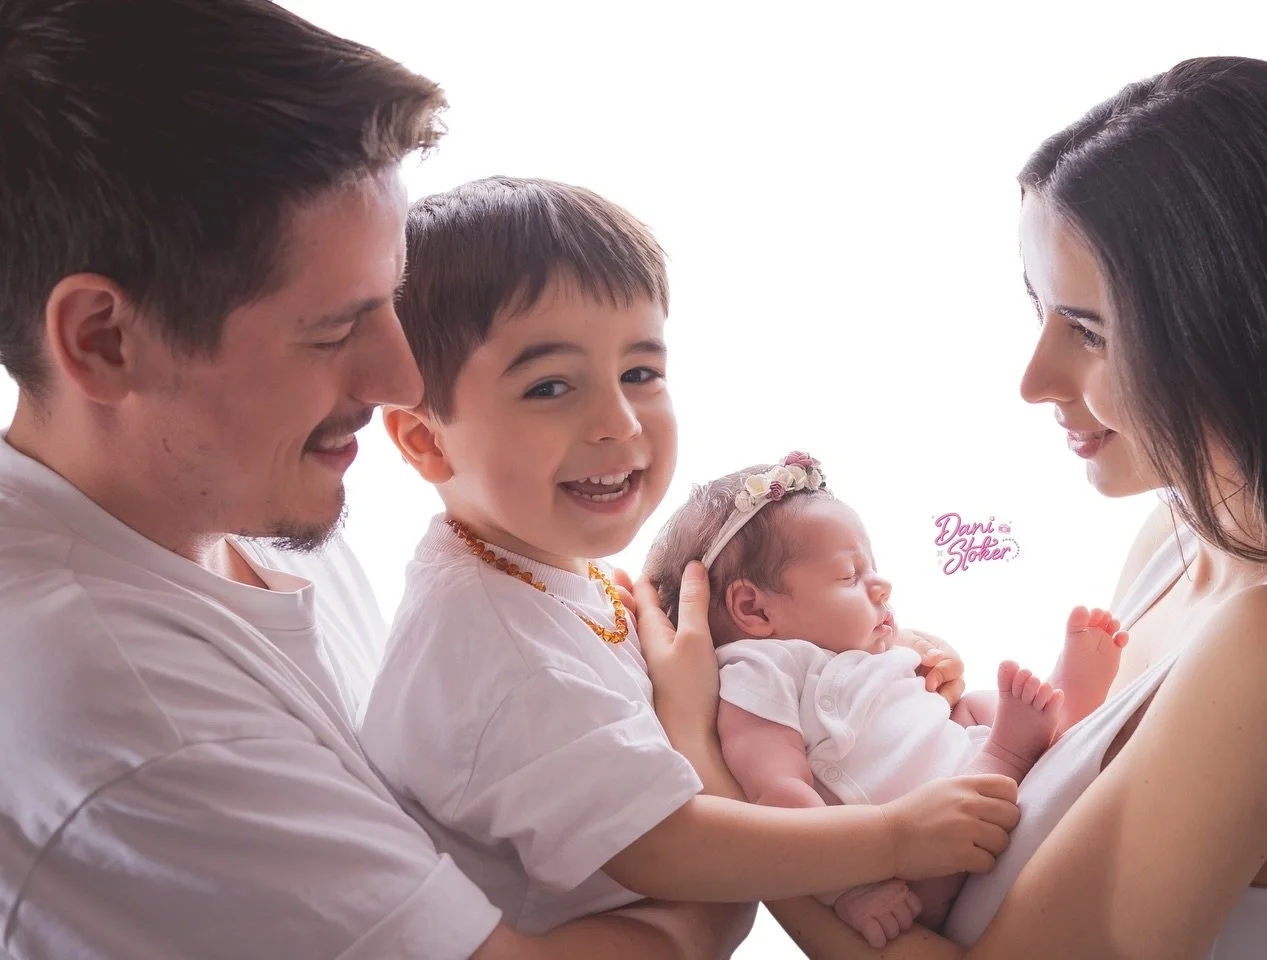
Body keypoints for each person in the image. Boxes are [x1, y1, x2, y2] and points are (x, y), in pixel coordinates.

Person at [635, 56, 1267, 957]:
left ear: (1243, 335)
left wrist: (707, 766)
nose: (1034, 380)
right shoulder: (1176, 543)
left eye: (1088, 330)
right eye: (1042, 315)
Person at [0, 2, 753, 956]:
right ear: (105, 341)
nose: (401, 380)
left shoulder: (237, 502)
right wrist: (709, 796)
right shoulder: (128, 709)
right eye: (334, 327)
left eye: (391, 303)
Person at [359, 176, 1023, 940]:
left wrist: (876, 658)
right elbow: (670, 847)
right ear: (424, 439)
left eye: (641, 373)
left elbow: (727, 677)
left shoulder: (547, 563)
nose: (617, 422)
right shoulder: (503, 655)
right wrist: (895, 837)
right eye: (549, 386)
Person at [641, 452, 1126, 946]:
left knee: (974, 704)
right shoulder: (759, 670)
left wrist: (920, 655)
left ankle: (1057, 717)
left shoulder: (855, 649)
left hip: (953, 776)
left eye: (872, 568)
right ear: (753, 609)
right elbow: (779, 796)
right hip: (926, 864)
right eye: (850, 577)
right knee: (994, 739)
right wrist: (847, 888)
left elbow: (923, 705)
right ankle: (1015, 750)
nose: (881, 585)